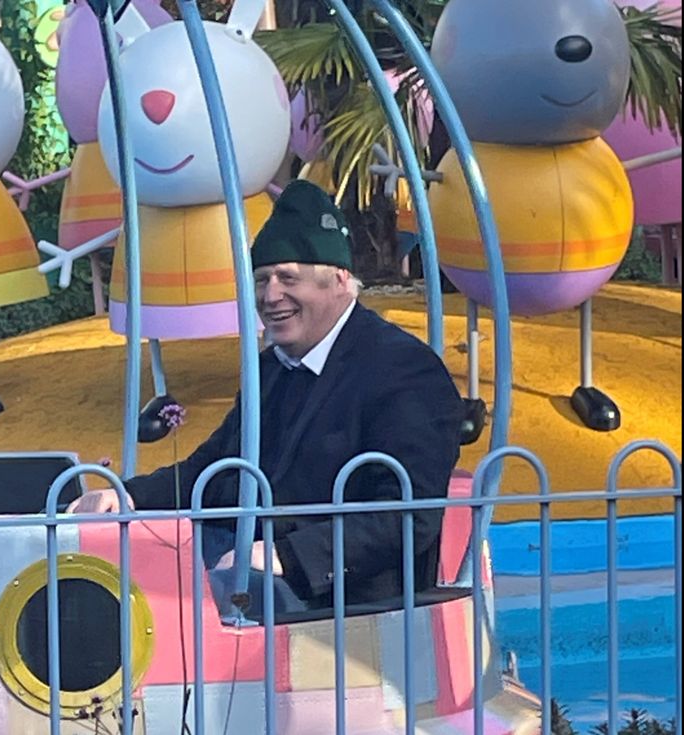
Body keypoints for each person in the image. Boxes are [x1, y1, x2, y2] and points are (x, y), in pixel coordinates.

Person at [68, 181, 464, 608]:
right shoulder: (272, 368)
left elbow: (407, 514)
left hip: (353, 609)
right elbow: (215, 468)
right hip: (254, 586)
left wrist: (289, 558)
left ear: (339, 280)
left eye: (288, 278)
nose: (271, 296)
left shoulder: (404, 370)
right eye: (261, 280)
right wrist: (129, 496)